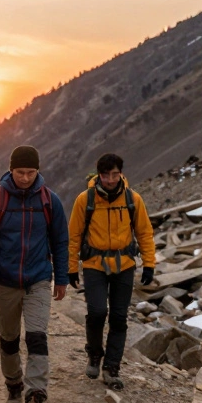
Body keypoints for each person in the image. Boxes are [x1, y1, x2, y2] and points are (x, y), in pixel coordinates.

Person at [0, 145, 69, 403]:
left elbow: (61, 242)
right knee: (9, 339)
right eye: (21, 172)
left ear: (38, 171)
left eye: (31, 172)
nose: (26, 178)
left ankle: (36, 396)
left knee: (37, 336)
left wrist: (62, 277)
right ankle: (14, 385)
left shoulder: (49, 201)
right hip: (5, 282)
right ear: (10, 170)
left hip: (39, 279)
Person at [67, 153, 155, 390]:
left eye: (115, 174)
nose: (110, 180)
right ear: (99, 175)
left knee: (118, 318)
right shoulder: (84, 200)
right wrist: (71, 268)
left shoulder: (132, 199)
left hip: (124, 265)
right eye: (106, 175)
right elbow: (74, 236)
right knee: (96, 312)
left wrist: (149, 264)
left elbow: (144, 233)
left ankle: (112, 367)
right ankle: (95, 354)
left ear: (121, 173)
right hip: (94, 264)